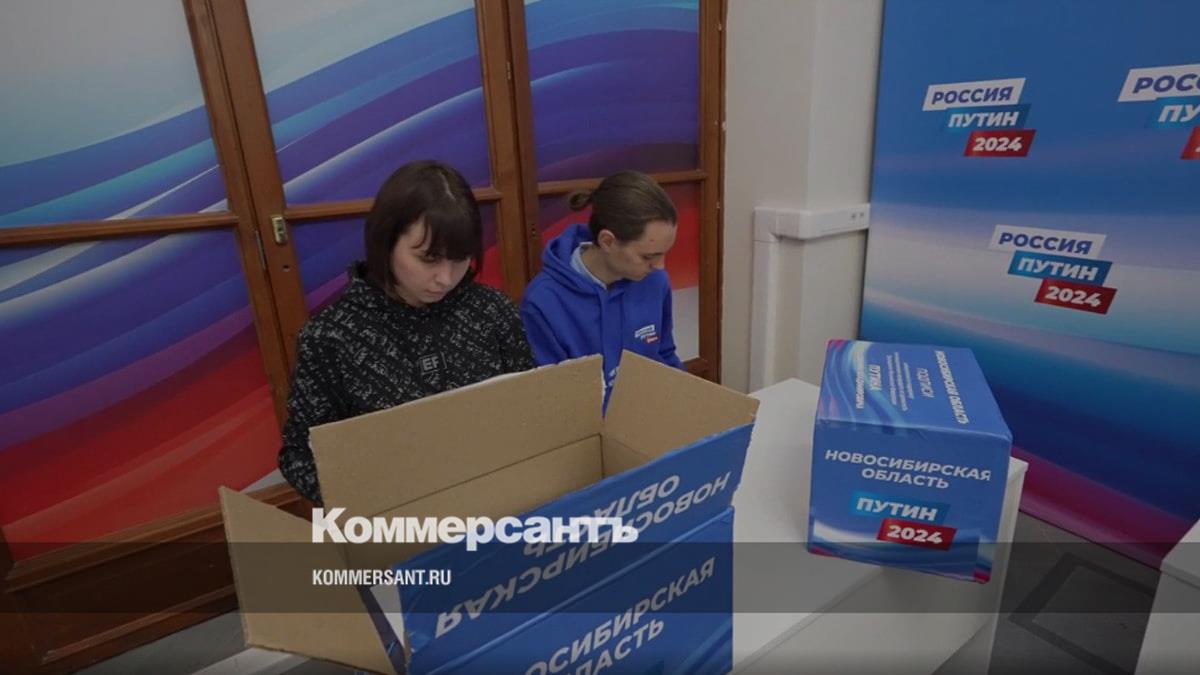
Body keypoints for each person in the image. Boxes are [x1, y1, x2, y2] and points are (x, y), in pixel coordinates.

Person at [278, 160, 534, 504]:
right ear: (386, 241)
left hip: (500, 500)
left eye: (460, 259)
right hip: (398, 515)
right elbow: (300, 455)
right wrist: (368, 503)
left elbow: (532, 408)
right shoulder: (332, 336)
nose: (445, 278)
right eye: (428, 258)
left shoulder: (491, 310)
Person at [520, 170, 683, 400]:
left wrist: (688, 405)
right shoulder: (543, 302)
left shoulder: (655, 281)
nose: (660, 266)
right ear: (607, 241)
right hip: (584, 419)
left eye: (665, 253)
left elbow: (664, 356)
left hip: (650, 412)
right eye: (648, 256)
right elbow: (553, 399)